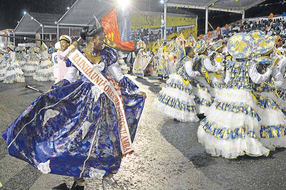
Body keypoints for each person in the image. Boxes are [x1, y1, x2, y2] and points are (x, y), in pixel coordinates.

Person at [2, 22, 146, 190]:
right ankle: (79, 179)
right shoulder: (78, 56)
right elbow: (70, 78)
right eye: (101, 38)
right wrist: (54, 90)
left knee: (108, 139)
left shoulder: (108, 55)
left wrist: (136, 90)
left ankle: (108, 175)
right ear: (92, 39)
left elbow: (119, 76)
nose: (104, 41)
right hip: (83, 103)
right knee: (77, 139)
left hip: (105, 104)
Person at [155, 46, 200, 122]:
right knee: (182, 98)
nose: (194, 53)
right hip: (181, 80)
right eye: (192, 51)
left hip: (175, 79)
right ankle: (180, 116)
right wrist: (197, 73)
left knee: (176, 98)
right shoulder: (188, 61)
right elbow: (190, 73)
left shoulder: (182, 59)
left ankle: (176, 115)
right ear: (188, 53)